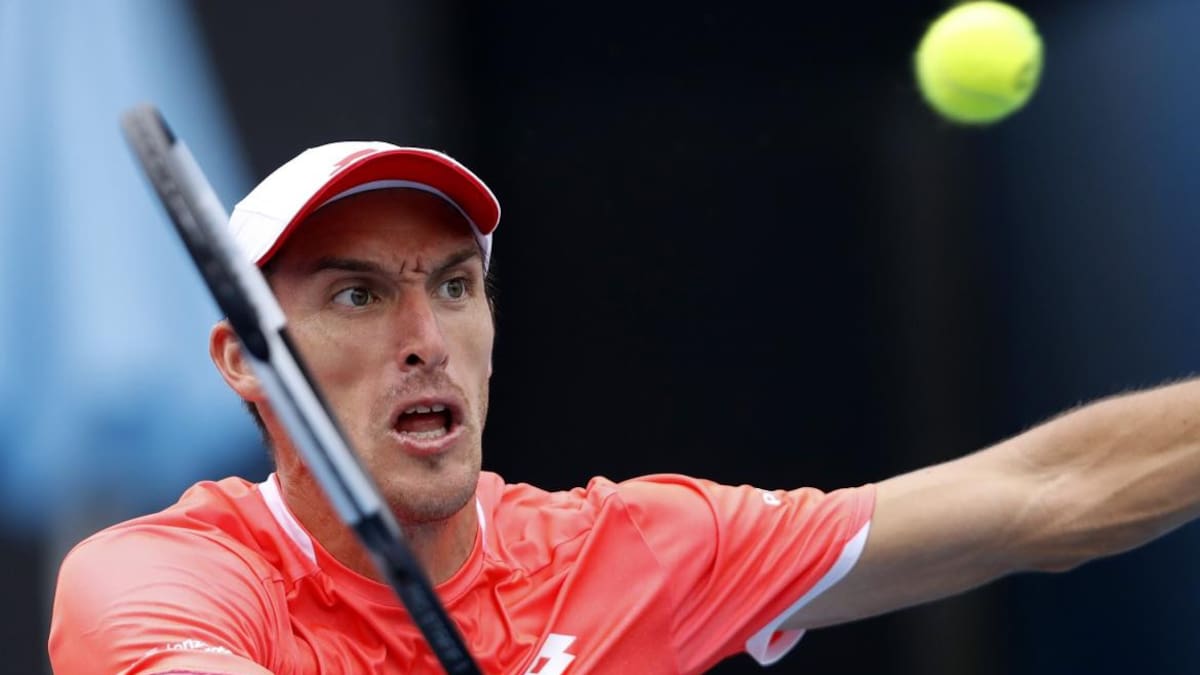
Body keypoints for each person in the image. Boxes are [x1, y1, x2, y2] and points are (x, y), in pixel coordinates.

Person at [48, 141, 1200, 675]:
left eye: (455, 286)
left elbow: (1047, 495)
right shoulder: (160, 578)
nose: (424, 340)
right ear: (246, 361)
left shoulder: (632, 551)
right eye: (357, 294)